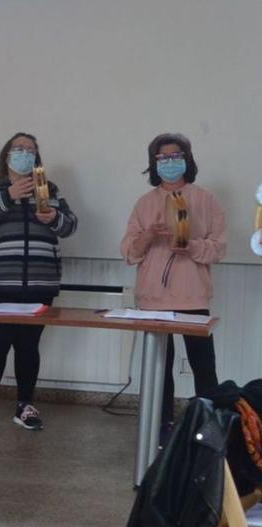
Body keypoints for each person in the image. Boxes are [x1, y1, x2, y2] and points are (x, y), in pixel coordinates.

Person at [0, 132, 78, 432]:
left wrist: (53, 217)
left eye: (30, 150)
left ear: (37, 158)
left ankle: (25, 406)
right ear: (7, 156)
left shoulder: (50, 189)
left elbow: (70, 225)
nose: (25, 154)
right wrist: (9, 197)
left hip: (40, 283)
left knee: (29, 346)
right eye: (18, 149)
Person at [120, 133, 225, 435]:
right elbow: (129, 252)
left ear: (187, 159)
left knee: (203, 365)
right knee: (158, 369)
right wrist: (149, 235)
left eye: (175, 156)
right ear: (153, 164)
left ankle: (209, 427)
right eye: (162, 158)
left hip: (193, 296)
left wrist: (190, 246)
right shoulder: (144, 203)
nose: (169, 162)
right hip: (153, 298)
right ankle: (160, 424)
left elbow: (219, 247)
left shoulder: (205, 199)